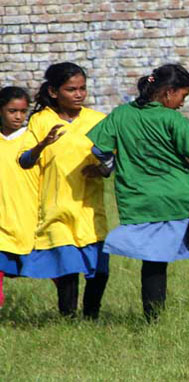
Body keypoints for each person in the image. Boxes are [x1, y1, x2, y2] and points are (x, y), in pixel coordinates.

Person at [86, 64, 189, 321]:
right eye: (183, 96)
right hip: (179, 198)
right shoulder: (172, 119)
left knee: (153, 257)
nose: (183, 103)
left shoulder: (120, 115)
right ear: (167, 93)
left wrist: (108, 167)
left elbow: (98, 150)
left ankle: (153, 319)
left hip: (139, 200)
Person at [19, 62, 109, 319]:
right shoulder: (40, 121)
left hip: (90, 209)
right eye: (72, 89)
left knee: (99, 269)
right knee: (67, 267)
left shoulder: (98, 121)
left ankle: (92, 316)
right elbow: (25, 161)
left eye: (82, 88)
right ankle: (67, 319)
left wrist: (101, 169)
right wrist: (42, 145)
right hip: (56, 208)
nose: (79, 94)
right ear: (55, 92)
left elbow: (112, 163)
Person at [0, 87, 37, 309]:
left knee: (50, 267)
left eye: (23, 111)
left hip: (28, 215)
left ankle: (69, 313)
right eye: (12, 111)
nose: (18, 117)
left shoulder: (32, 139)